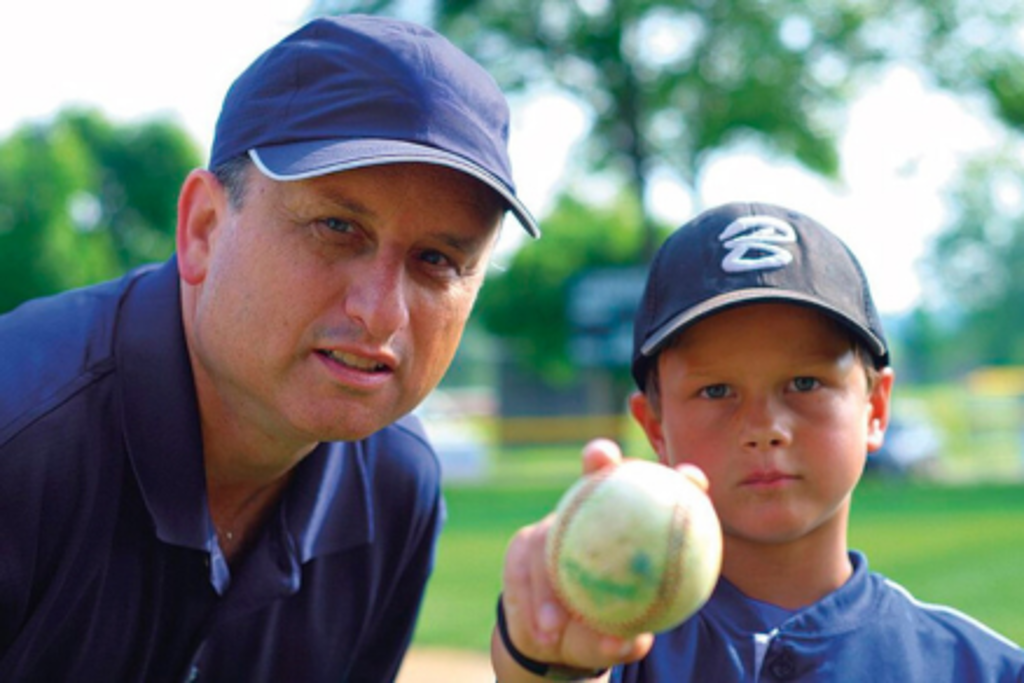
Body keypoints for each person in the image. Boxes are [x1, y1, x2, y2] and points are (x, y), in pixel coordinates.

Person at [0, 14, 539, 682]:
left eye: (437, 259)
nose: (381, 311)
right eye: (337, 226)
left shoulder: (398, 486)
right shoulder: (18, 436)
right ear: (203, 228)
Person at [492, 202, 1024, 682]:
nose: (763, 426)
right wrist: (545, 662)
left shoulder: (981, 669)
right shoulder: (609, 653)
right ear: (655, 428)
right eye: (716, 390)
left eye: (805, 383)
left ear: (876, 408)